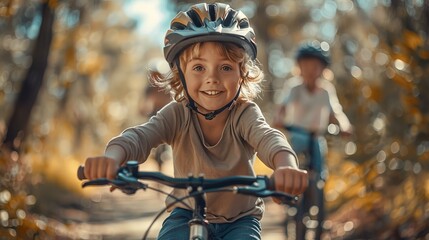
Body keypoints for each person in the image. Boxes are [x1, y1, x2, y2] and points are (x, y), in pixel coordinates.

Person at [83, 3, 308, 240]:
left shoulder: (245, 114)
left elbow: (269, 138)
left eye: (225, 67)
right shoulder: (176, 114)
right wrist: (111, 159)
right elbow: (139, 137)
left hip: (240, 219)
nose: (212, 78)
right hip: (184, 212)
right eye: (199, 67)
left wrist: (286, 167)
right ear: (181, 73)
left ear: (242, 74)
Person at [272, 41, 353, 240]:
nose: (310, 70)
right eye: (305, 64)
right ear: (299, 67)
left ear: (323, 69)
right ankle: (291, 200)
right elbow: (282, 108)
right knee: (293, 165)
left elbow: (336, 113)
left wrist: (344, 126)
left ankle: (317, 195)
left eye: (315, 65)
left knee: (319, 174)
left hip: (317, 137)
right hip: (298, 137)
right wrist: (278, 119)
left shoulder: (326, 90)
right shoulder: (294, 87)